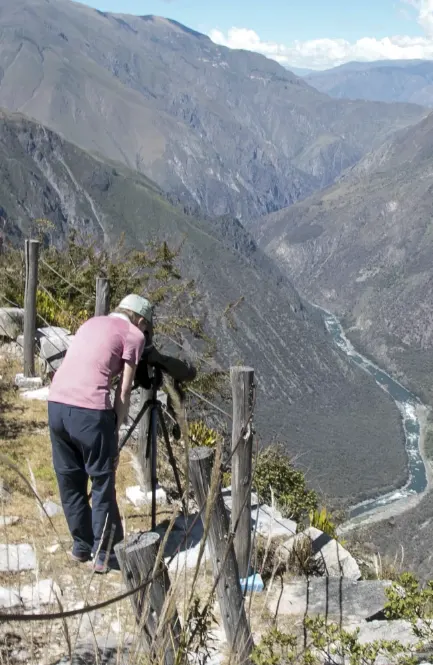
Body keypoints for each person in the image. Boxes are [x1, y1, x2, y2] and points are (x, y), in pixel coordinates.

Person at [47, 294, 152, 573]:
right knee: (102, 480)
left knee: (70, 479)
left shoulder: (90, 323)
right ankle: (103, 554)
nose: (145, 334)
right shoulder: (134, 335)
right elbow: (125, 389)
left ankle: (81, 546)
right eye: (146, 328)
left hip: (56, 404)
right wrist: (115, 428)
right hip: (90, 413)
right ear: (140, 320)